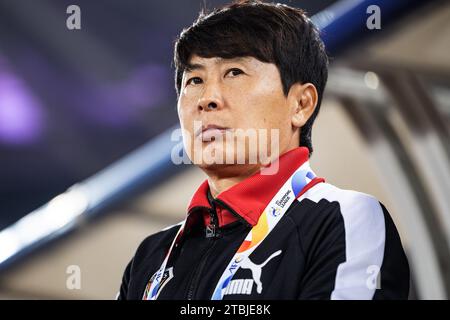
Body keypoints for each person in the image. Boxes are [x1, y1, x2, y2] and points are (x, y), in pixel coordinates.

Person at [118, 0, 409, 300]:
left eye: (234, 72)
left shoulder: (344, 219)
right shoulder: (150, 258)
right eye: (194, 79)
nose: (207, 98)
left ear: (301, 104)